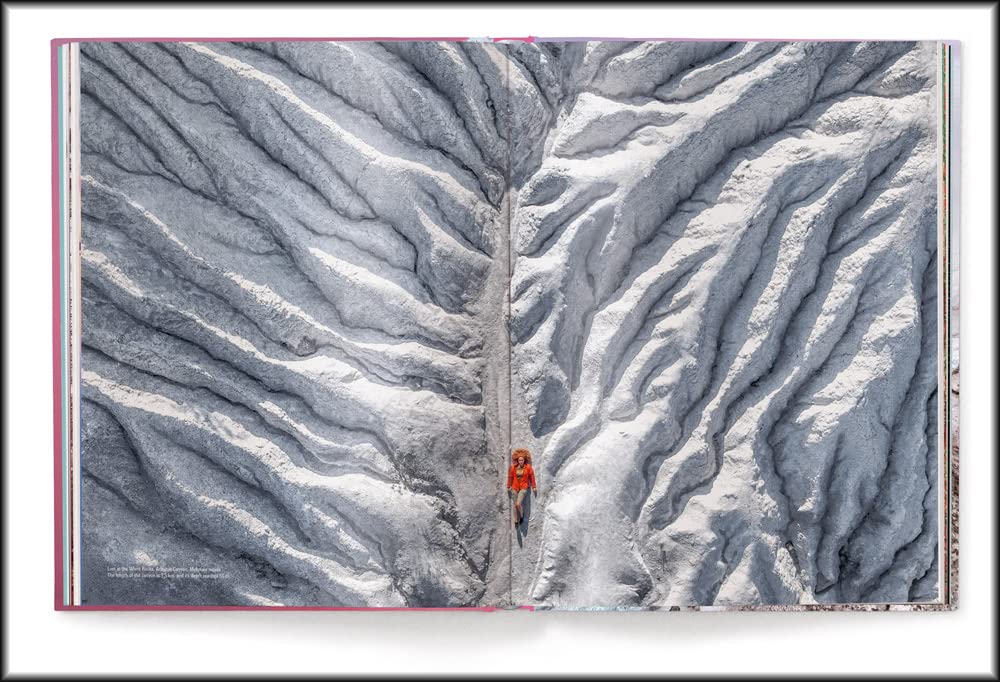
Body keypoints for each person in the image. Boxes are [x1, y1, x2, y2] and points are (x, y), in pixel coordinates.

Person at [507, 448, 537, 527]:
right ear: (517, 460)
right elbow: (510, 477)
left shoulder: (528, 468)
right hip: (514, 487)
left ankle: (521, 515)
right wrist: (508, 485)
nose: (521, 461)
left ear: (524, 461)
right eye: (519, 460)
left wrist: (534, 486)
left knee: (518, 504)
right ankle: (516, 520)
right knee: (514, 505)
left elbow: (532, 477)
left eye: (522, 460)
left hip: (523, 487)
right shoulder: (513, 468)